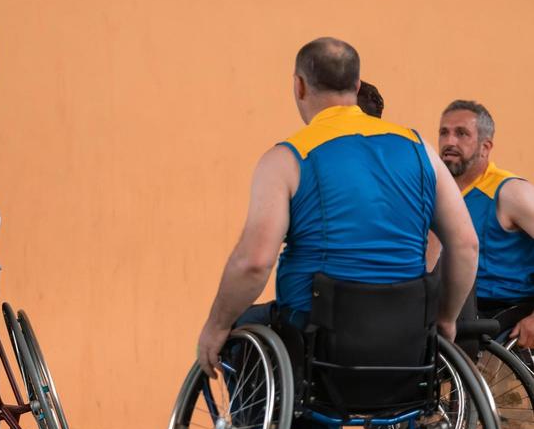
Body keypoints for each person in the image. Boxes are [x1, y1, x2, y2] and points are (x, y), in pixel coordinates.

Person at [195, 38, 478, 379]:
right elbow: (465, 244)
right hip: (406, 336)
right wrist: (446, 318)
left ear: (299, 86)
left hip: (319, 338)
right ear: (356, 85)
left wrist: (216, 325)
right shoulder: (421, 149)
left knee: (245, 327)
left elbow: (254, 262)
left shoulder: (286, 158)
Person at [437, 100, 534, 345]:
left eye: (461, 134)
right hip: (453, 311)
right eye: (444, 132)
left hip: (501, 318)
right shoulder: (440, 192)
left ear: (485, 147)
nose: (450, 142)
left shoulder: (511, 192)